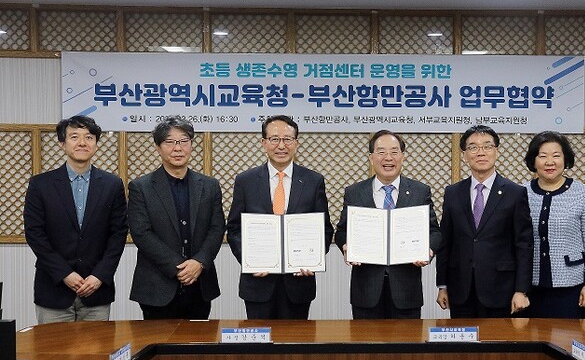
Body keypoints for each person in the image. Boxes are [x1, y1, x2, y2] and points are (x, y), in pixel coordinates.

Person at [226, 115, 334, 319]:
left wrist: (313, 260)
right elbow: (234, 229)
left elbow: (325, 229)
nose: (281, 145)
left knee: (295, 338)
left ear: (296, 143)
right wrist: (249, 260)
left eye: (287, 139)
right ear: (264, 143)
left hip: (298, 283)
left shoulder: (313, 181)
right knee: (259, 338)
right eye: (274, 139)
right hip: (257, 284)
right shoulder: (245, 181)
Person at [23, 115, 128, 324]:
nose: (82, 143)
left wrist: (99, 276)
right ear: (62, 143)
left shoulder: (112, 184)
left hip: (96, 290)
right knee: (54, 346)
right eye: (74, 137)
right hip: (53, 288)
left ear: (96, 144)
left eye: (89, 137)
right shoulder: (40, 185)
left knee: (97, 346)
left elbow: (118, 234)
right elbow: (34, 234)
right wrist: (64, 274)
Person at [335, 130, 441, 319]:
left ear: (402, 156)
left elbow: (434, 232)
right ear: (371, 158)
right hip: (366, 290)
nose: (388, 158)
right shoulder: (355, 192)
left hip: (406, 290)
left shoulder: (420, 191)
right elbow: (342, 231)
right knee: (365, 339)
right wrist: (345, 245)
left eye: (394, 151)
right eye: (381, 152)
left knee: (407, 338)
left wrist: (428, 250)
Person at [128, 117, 225, 320]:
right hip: (157, 286)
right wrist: (179, 267)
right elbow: (141, 233)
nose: (177, 148)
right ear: (158, 147)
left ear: (191, 144)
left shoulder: (209, 186)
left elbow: (217, 228)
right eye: (170, 142)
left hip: (199, 284)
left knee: (199, 339)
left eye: (183, 141)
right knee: (158, 340)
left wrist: (199, 262)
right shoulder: (141, 187)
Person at [436, 125, 533, 318]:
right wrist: (442, 285)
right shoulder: (453, 193)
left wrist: (521, 290)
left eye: (487, 146)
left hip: (501, 289)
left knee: (498, 338)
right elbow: (445, 241)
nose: (480, 152)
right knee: (463, 337)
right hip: (461, 289)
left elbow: (524, 244)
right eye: (473, 147)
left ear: (497, 151)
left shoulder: (515, 193)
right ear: (465, 155)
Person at [523, 131, 585, 318]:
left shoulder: (583, 193)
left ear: (565, 159)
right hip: (531, 287)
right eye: (543, 156)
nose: (549, 162)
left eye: (556, 156)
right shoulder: (522, 193)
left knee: (571, 335)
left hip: (572, 286)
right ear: (533, 161)